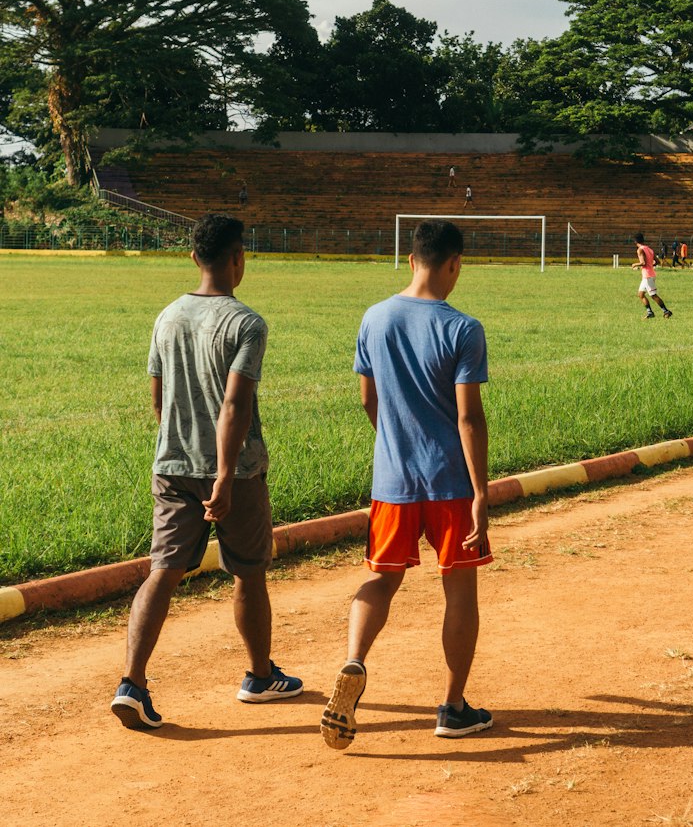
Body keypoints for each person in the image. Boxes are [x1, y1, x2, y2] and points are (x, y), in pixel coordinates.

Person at [111, 214, 302, 730]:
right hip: (235, 472)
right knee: (248, 570)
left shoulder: (167, 317)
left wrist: (182, 449)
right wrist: (221, 476)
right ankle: (259, 676)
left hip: (172, 464)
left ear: (194, 257)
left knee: (163, 571)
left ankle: (132, 682)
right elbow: (235, 405)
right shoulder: (246, 323)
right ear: (238, 258)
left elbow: (158, 395)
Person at [322, 220, 493, 751]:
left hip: (393, 479)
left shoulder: (375, 318)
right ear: (453, 263)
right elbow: (468, 418)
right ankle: (453, 707)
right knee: (458, 587)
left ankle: (354, 658)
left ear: (411, 258)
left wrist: (395, 441)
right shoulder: (463, 328)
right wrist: (481, 492)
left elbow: (367, 399)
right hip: (450, 483)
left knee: (382, 577)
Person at [631, 231, 673, 320]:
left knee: (653, 295)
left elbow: (643, 263)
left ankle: (666, 311)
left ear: (635, 242)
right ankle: (650, 313)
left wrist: (635, 264)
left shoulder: (640, 250)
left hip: (648, 275)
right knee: (641, 294)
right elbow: (657, 262)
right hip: (650, 274)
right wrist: (650, 265)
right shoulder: (649, 249)